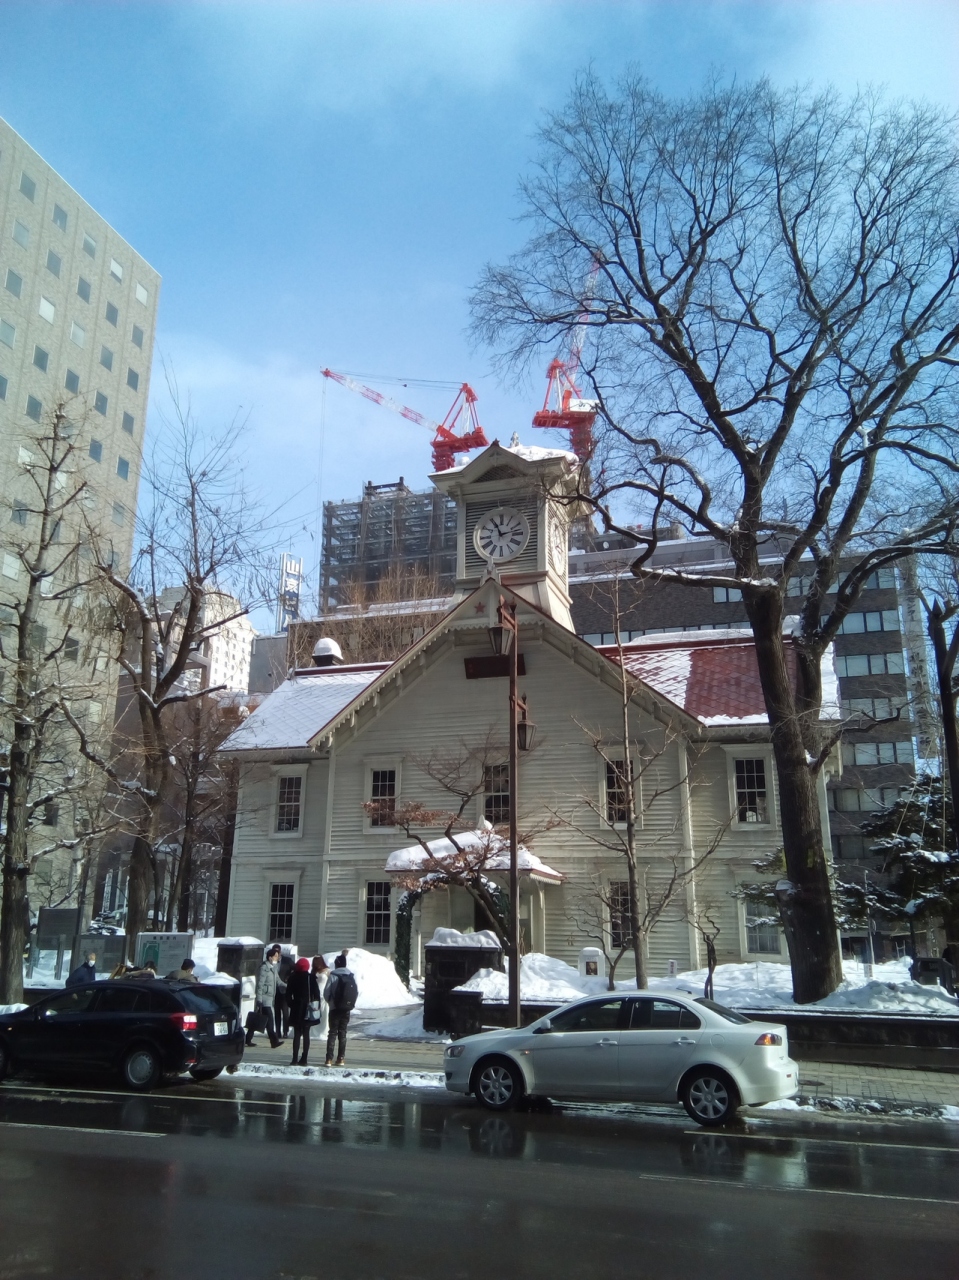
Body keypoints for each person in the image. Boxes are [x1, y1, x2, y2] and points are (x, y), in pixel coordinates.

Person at [246, 944, 286, 1048]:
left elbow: (278, 981)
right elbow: (260, 985)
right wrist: (259, 1000)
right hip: (264, 999)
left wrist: (288, 986)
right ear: (270, 957)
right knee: (269, 1020)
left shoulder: (273, 968)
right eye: (275, 956)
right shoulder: (264, 968)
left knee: (258, 1020)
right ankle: (274, 1041)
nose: (277, 958)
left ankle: (247, 1039)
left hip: (270, 998)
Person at [324, 951, 358, 1067]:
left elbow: (326, 993)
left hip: (334, 1008)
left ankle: (329, 1059)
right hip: (346, 1008)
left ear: (336, 964)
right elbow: (355, 992)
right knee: (343, 1033)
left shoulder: (333, 975)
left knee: (332, 1032)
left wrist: (331, 1002)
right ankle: (341, 1058)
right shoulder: (350, 976)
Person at [286, 957, 321, 1066]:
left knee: (297, 1034)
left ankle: (294, 1059)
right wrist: (316, 1005)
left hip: (296, 1009)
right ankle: (304, 1058)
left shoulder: (293, 977)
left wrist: (291, 1004)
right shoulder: (311, 978)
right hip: (308, 1010)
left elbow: (288, 995)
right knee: (306, 1034)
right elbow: (317, 994)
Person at [274, 948, 294, 1040]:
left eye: (277, 952)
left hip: (284, 990)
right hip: (274, 990)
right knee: (276, 1012)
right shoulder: (272, 962)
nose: (276, 955)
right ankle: (278, 1031)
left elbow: (294, 969)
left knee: (285, 1012)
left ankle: (285, 1031)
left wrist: (289, 977)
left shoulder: (287, 960)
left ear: (280, 953)